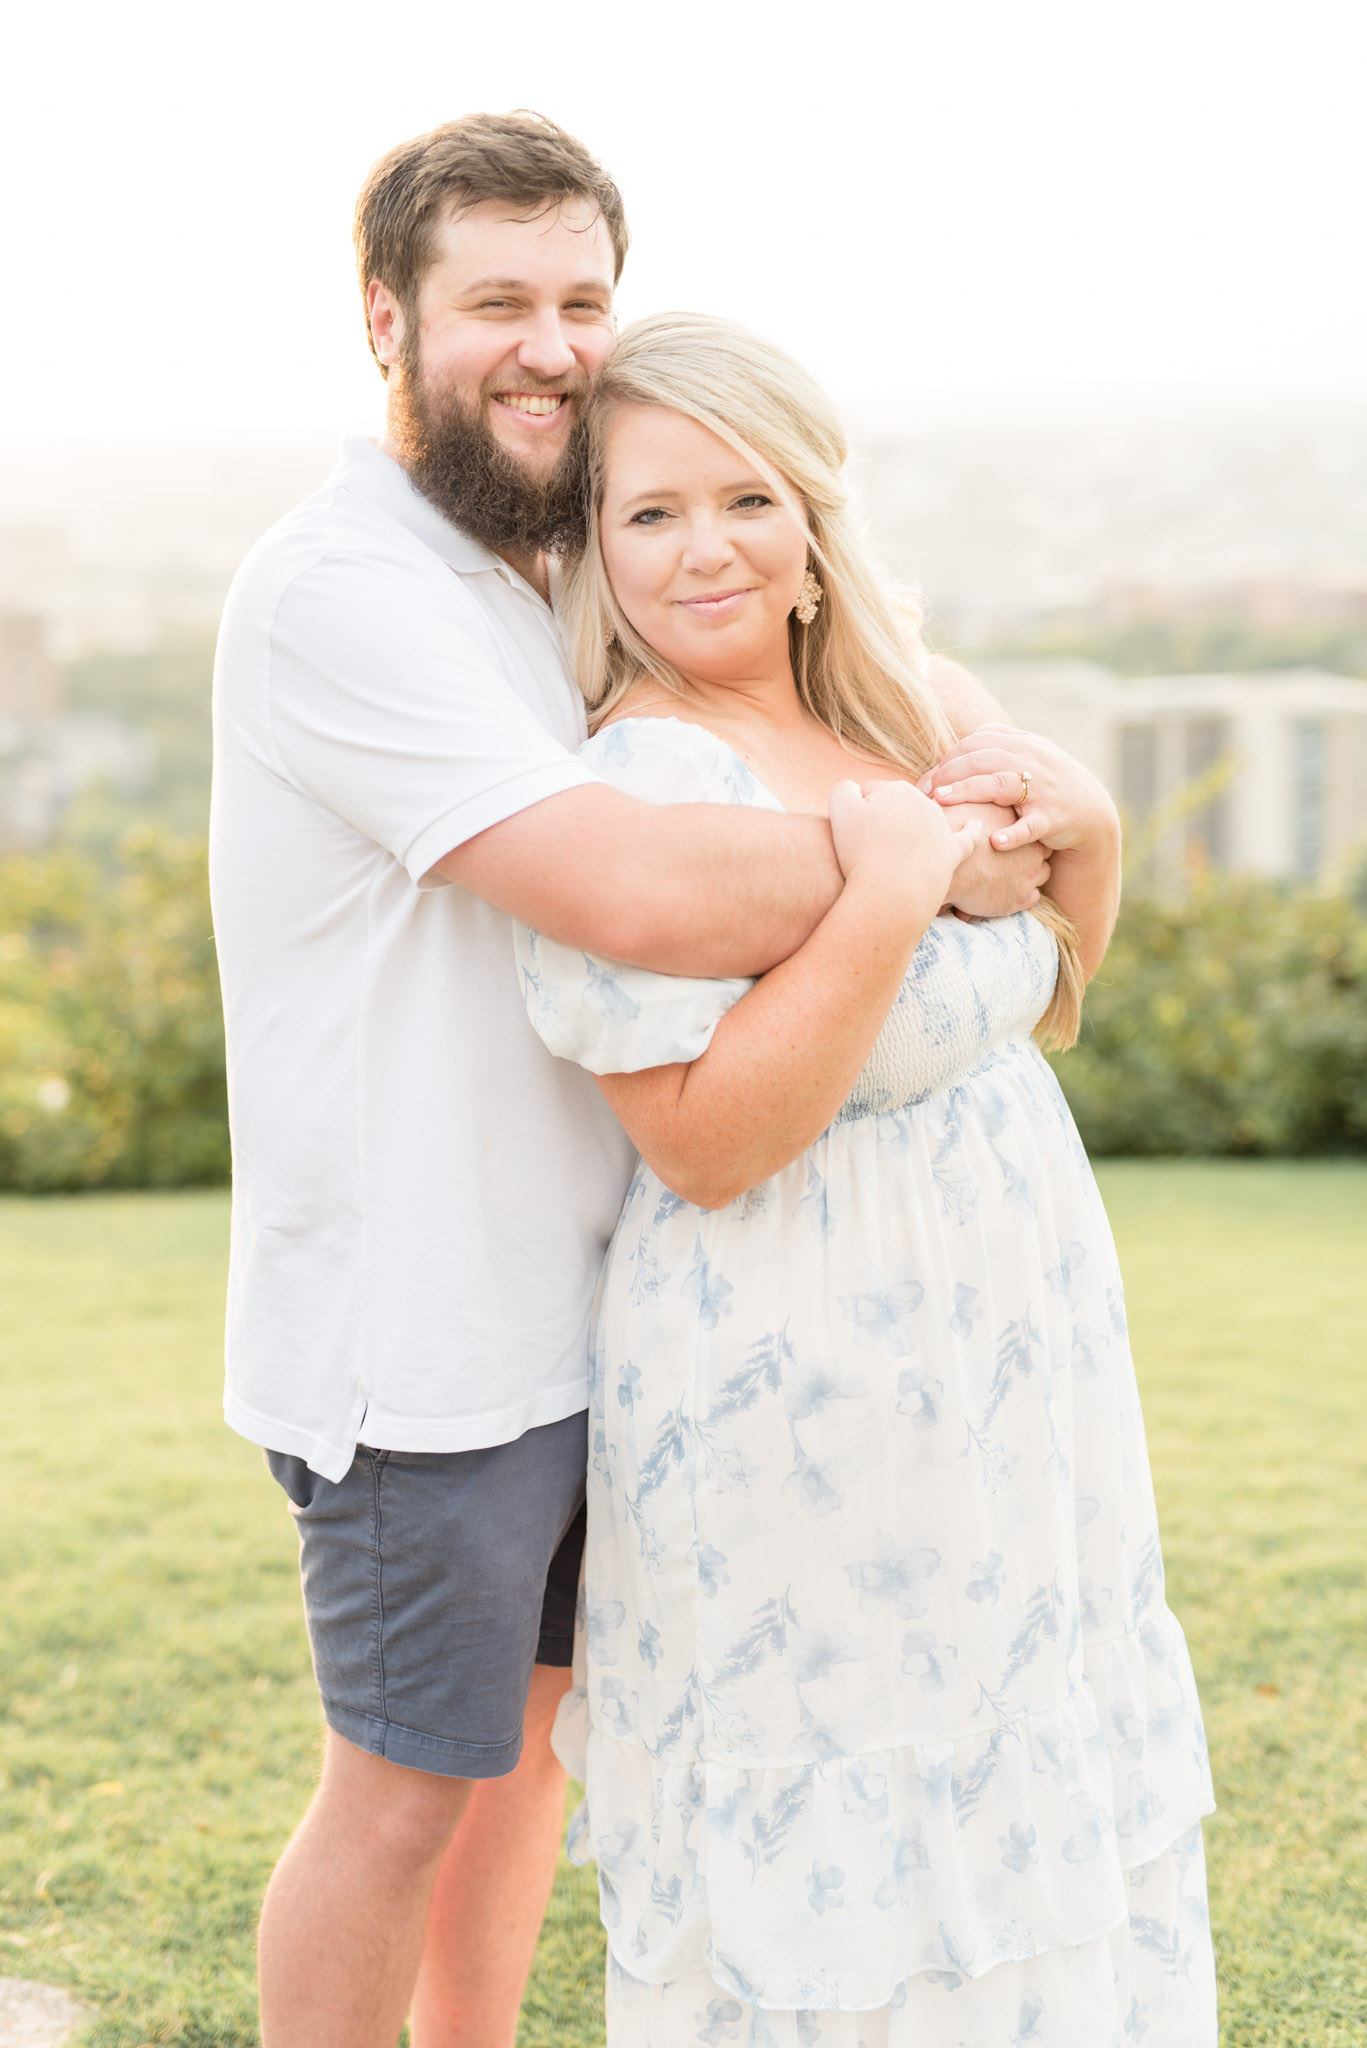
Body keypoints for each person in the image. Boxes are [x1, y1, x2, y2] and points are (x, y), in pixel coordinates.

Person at [209, 114, 1061, 2048]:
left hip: (606, 1303)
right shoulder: (347, 591)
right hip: (419, 1331)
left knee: (528, 1770)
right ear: (384, 320)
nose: (548, 346)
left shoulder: (543, 562)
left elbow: (838, 672)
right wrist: (927, 853)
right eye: (493, 301)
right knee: (405, 1793)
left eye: (582, 300)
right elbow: (642, 886)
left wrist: (981, 791)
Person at [514, 313, 1217, 2046]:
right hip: (799, 1382)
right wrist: (895, 888)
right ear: (595, 545)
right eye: (650, 512)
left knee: (1021, 1743)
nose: (704, 551)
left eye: (745, 499)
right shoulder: (641, 781)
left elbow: (1046, 1004)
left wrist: (1093, 846)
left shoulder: (916, 707)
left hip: (1015, 1346)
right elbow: (705, 1142)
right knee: (844, 1805)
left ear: (814, 521)